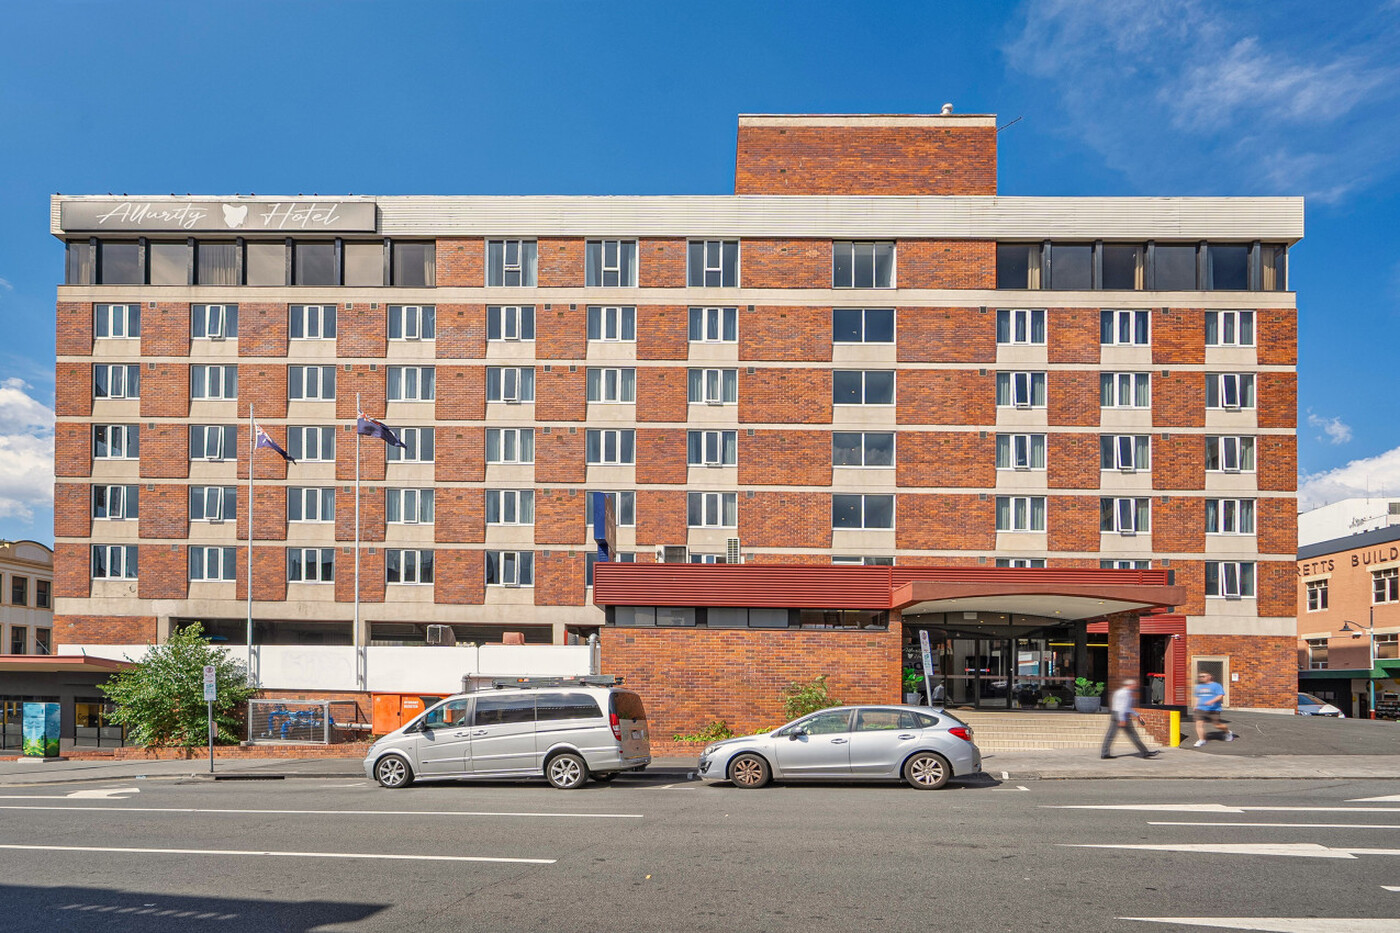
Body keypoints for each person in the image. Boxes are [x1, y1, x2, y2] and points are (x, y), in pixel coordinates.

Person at [1100, 677, 1159, 759]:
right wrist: (1122, 719)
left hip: (1116, 713)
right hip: (1122, 715)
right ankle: (1145, 752)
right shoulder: (1126, 694)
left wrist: (1137, 715)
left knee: (1110, 735)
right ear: (1130, 685)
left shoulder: (1120, 692)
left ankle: (1104, 753)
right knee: (1133, 735)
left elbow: (1123, 707)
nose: (1135, 686)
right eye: (1134, 685)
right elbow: (1123, 707)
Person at [1192, 671, 1236, 747]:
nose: (1201, 678)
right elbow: (1197, 697)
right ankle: (1202, 740)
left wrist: (1211, 701)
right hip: (1201, 708)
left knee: (1217, 725)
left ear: (1209, 677)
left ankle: (1228, 732)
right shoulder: (1198, 687)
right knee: (1199, 724)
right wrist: (1195, 705)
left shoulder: (1216, 685)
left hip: (1214, 709)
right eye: (1200, 676)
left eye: (1203, 676)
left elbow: (1220, 695)